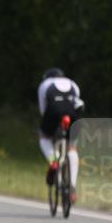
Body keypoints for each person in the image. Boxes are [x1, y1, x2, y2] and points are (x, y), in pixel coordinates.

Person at [37, 68, 84, 202]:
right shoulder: (73, 83)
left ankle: (54, 161)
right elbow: (77, 102)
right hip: (73, 114)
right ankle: (73, 187)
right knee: (72, 148)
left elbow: (43, 110)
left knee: (44, 137)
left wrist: (48, 127)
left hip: (53, 112)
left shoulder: (45, 85)